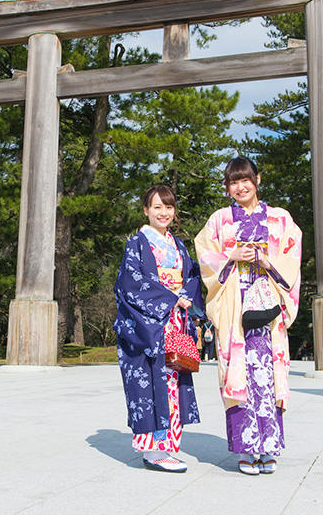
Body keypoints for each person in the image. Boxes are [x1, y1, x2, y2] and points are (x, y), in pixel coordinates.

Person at [194, 156, 302, 476]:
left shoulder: (280, 219)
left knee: (267, 377)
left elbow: (292, 257)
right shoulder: (219, 219)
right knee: (237, 377)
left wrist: (267, 262)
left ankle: (268, 447)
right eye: (233, 182)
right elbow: (204, 252)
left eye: (245, 180)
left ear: (257, 180)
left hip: (268, 308)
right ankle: (245, 449)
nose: (240, 187)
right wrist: (231, 255)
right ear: (227, 187)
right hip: (234, 308)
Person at [113, 184, 205, 473]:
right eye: (157, 207)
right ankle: (154, 450)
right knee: (154, 383)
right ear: (145, 210)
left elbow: (191, 275)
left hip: (175, 320)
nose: (163, 213)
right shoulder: (136, 244)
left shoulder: (178, 246)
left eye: (168, 207)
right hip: (149, 325)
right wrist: (168, 299)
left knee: (173, 383)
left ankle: (170, 446)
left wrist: (186, 296)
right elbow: (130, 284)